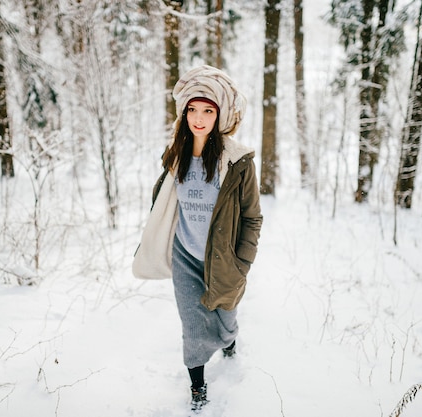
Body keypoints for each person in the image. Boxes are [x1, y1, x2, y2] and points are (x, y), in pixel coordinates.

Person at [132, 65, 262, 412]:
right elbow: (163, 202)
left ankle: (230, 341)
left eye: (208, 110)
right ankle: (198, 389)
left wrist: (243, 261)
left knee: (226, 317)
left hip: (224, 258)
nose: (199, 118)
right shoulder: (175, 154)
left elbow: (252, 216)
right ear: (184, 111)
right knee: (192, 325)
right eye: (192, 109)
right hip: (185, 255)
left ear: (219, 114)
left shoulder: (237, 162)